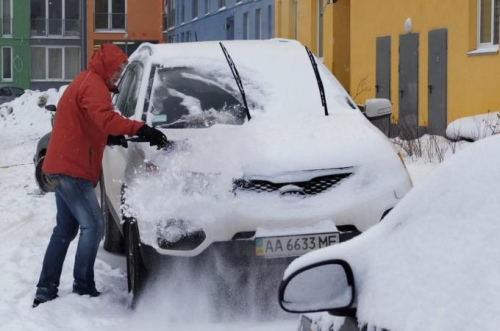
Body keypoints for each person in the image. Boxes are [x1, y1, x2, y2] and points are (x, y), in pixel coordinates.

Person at [33, 44, 167, 307]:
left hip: (62, 165)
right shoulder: (93, 85)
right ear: (106, 66)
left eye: (120, 70)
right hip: (72, 169)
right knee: (93, 226)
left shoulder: (86, 80)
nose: (118, 74)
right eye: (116, 69)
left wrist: (111, 135)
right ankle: (83, 287)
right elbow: (105, 118)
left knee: (65, 230)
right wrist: (141, 128)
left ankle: (45, 290)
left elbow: (90, 121)